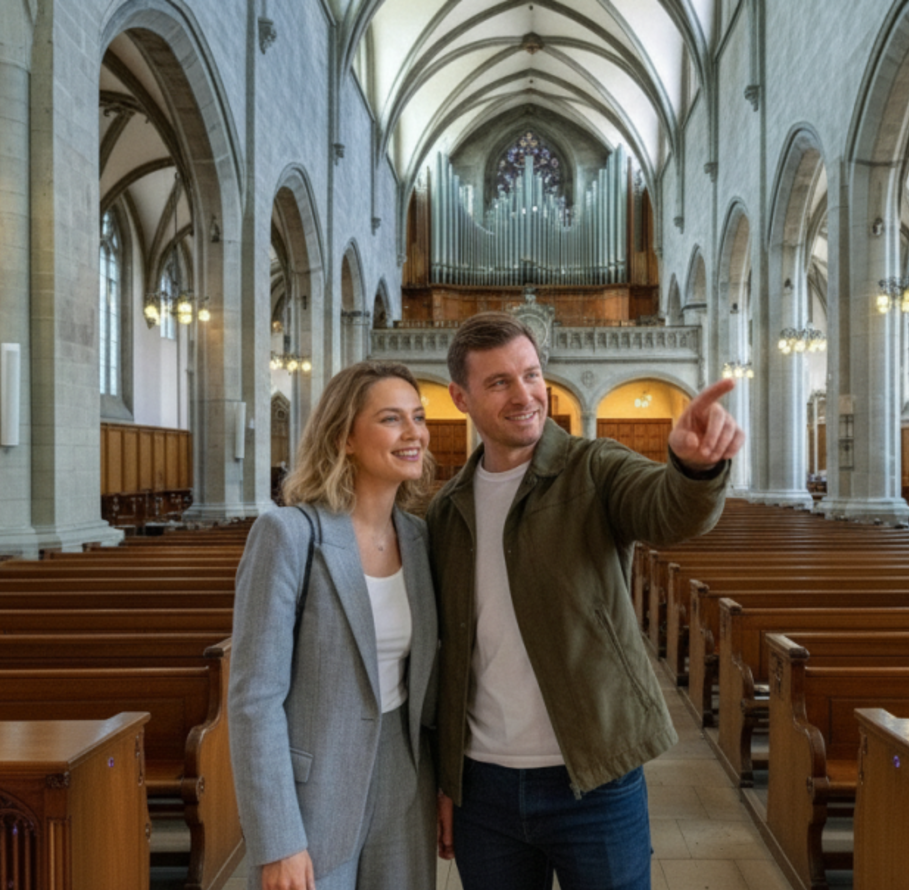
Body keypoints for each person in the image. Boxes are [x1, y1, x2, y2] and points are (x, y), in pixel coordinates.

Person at [428, 313, 744, 889]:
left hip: (594, 774)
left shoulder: (593, 468)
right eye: (499, 382)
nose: (525, 394)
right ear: (460, 397)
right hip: (484, 788)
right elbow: (444, 657)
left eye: (531, 375)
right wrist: (444, 779)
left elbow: (666, 508)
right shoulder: (446, 510)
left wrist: (695, 470)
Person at [229, 360, 440, 890]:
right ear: (345, 436)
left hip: (404, 780)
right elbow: (255, 698)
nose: (414, 433)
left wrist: (445, 789)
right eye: (392, 419)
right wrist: (278, 838)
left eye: (418, 417)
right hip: (315, 787)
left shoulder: (418, 539)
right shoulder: (287, 535)